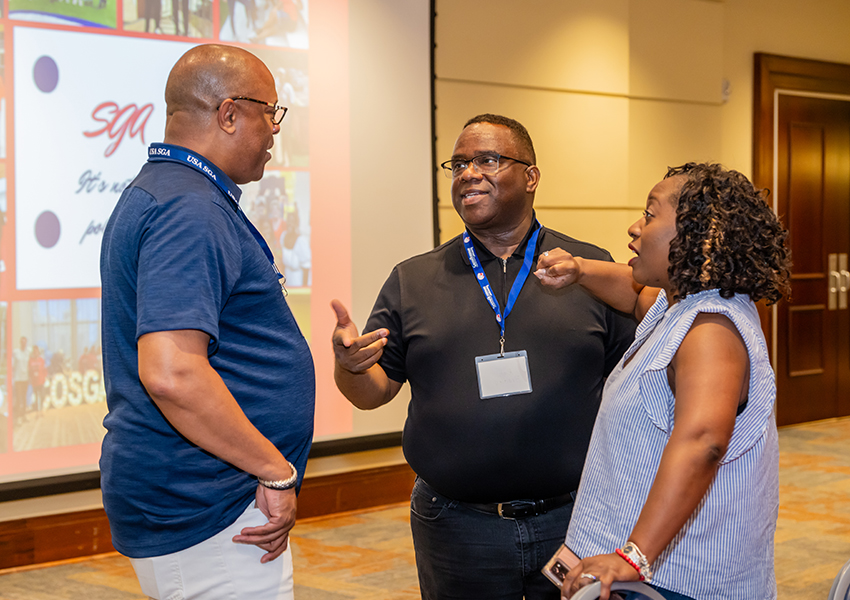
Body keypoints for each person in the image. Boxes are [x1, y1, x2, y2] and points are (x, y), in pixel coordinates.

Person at [331, 114, 636, 600]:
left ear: (531, 176)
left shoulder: (589, 270)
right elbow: (372, 394)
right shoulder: (412, 281)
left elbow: (634, 390)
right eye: (458, 164)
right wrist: (349, 368)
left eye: (487, 160)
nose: (467, 173)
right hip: (455, 526)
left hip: (575, 519)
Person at [100, 44, 314, 600]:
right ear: (228, 113)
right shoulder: (189, 208)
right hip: (210, 505)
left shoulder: (166, 192)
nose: (274, 132)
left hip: (200, 496)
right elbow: (172, 373)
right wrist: (274, 468)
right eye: (271, 114)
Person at [535, 163, 791, 600]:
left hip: (676, 581)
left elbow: (703, 440)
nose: (635, 227)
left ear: (701, 235)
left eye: (650, 215)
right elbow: (635, 294)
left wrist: (635, 555)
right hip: (636, 572)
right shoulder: (682, 305)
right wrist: (578, 269)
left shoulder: (710, 329)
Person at [12, 336, 29, 426]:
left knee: (24, 398)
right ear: (20, 343)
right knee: (19, 398)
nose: (23, 344)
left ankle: (24, 416)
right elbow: (12, 365)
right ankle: (18, 417)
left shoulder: (28, 352)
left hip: (25, 379)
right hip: (18, 379)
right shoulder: (16, 352)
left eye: (25, 342)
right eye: (22, 342)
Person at [28, 345, 46, 414]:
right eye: (34, 351)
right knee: (35, 396)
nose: (35, 352)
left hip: (41, 381)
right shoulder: (30, 360)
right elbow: (29, 371)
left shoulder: (41, 360)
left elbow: (44, 369)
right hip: (34, 382)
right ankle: (36, 410)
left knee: (42, 396)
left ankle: (41, 409)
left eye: (36, 351)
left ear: (38, 352)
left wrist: (44, 378)